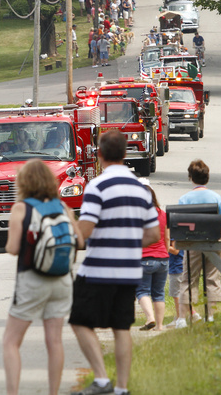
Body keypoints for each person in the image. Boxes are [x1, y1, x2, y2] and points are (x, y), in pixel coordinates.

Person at [69, 130, 160, 395]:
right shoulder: (140, 189)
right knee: (122, 328)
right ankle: (121, 387)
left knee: (79, 320)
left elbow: (85, 231)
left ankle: (100, 379)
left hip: (98, 268)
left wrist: (68, 227)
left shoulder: (97, 187)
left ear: (98, 154)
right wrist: (128, 242)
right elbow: (153, 234)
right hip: (129, 269)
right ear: (125, 153)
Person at [2, 160, 85, 395]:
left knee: (11, 341)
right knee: (55, 341)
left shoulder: (21, 208)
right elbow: (79, 242)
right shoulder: (62, 207)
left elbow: (12, 248)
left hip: (32, 279)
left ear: (24, 182)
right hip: (61, 281)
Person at [177, 160, 221, 323]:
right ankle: (211, 316)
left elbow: (179, 223)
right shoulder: (215, 197)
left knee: (188, 279)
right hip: (212, 242)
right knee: (213, 278)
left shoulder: (185, 199)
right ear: (207, 178)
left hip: (193, 244)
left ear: (191, 177)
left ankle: (183, 318)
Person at [136, 179, 171, 331]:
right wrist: (165, 253)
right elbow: (167, 238)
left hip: (144, 259)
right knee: (159, 293)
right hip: (163, 259)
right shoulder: (163, 214)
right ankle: (160, 325)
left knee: (142, 290)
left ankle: (150, 318)